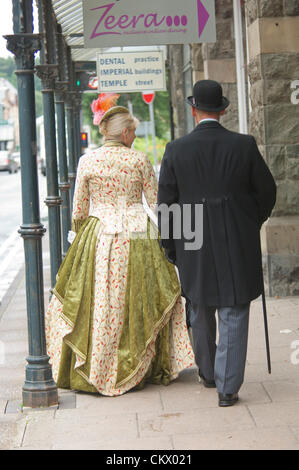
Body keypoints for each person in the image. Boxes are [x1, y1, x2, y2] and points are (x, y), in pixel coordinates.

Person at [45, 93, 194, 397]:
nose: (135, 136)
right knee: (140, 299)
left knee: (98, 301)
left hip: (99, 235)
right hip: (138, 233)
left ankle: (95, 366)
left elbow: (79, 211)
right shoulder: (139, 159)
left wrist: (82, 242)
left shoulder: (88, 160)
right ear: (125, 133)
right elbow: (156, 203)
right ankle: (140, 364)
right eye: (134, 132)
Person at [158, 80, 276, 407]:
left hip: (192, 234)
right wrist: (251, 220)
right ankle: (227, 387)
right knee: (234, 306)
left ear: (194, 109)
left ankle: (208, 372)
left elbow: (166, 203)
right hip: (236, 233)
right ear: (223, 110)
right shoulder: (244, 145)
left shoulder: (176, 149)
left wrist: (171, 245)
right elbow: (266, 192)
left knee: (200, 303)